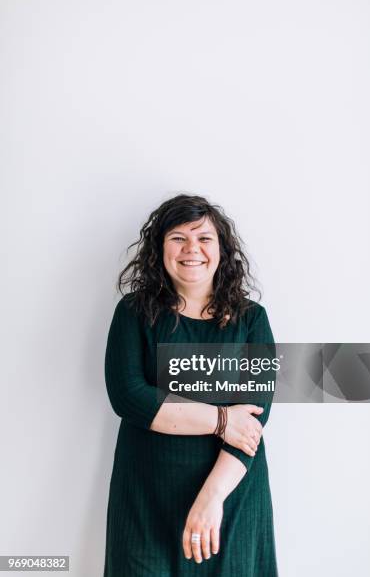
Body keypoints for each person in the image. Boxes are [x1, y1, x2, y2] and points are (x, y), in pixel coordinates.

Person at [103, 193, 279, 576]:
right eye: (178, 238)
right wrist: (221, 420)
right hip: (146, 499)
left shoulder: (252, 319)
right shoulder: (133, 312)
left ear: (222, 250)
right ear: (160, 249)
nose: (191, 250)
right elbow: (129, 397)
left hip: (231, 495)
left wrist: (211, 498)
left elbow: (254, 418)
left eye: (204, 238)